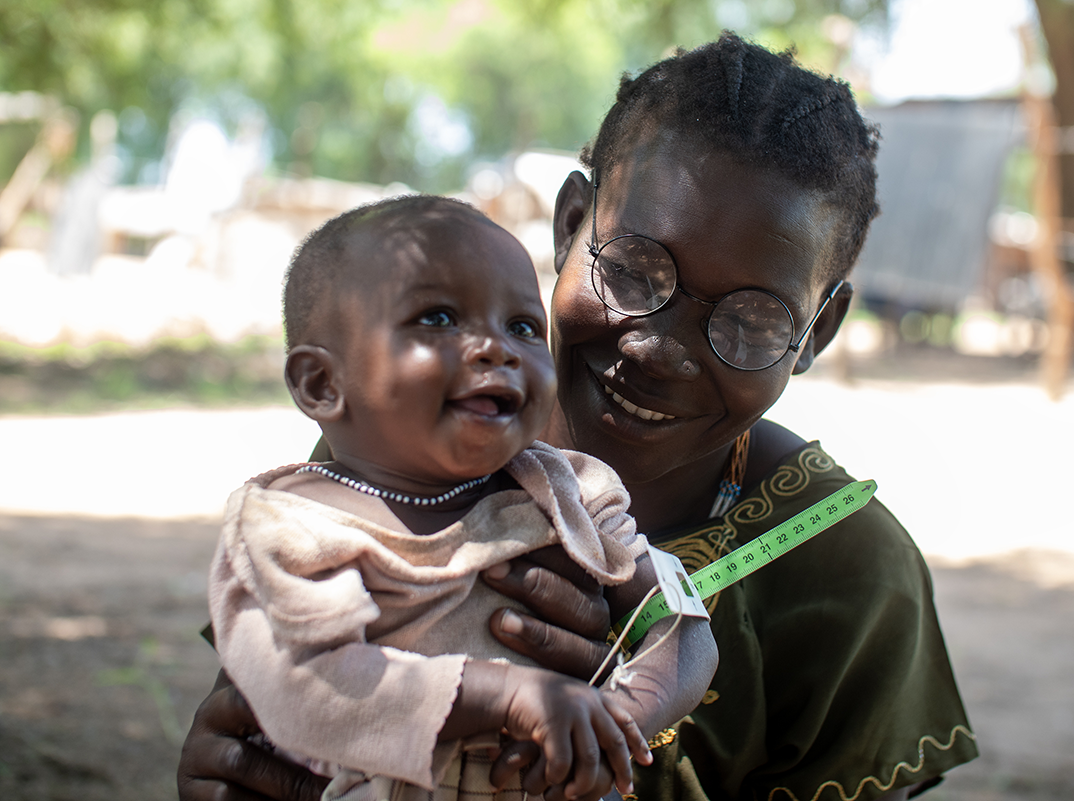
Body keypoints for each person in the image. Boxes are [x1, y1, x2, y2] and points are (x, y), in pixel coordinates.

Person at [179, 33, 978, 801]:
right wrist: (237, 757)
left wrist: (616, 713)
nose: (661, 349)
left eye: (752, 318)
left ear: (816, 335)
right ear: (569, 227)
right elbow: (283, 691)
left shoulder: (850, 575)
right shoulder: (417, 447)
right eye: (632, 269)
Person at [207, 195, 718, 801]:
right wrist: (502, 696)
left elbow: (680, 622)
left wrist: (615, 716)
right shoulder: (291, 524)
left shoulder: (569, 488)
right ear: (323, 384)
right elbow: (302, 686)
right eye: (439, 319)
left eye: (522, 327)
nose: (495, 348)